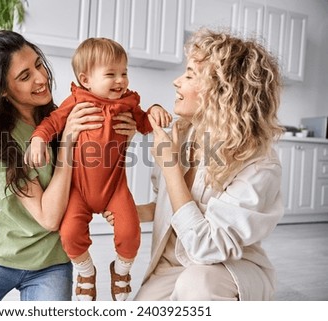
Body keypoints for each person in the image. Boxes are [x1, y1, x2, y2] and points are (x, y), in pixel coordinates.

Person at [0, 30, 135, 301]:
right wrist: (66, 143)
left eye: (38, 65)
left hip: (51, 263)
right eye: (25, 76)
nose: (42, 78)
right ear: (3, 90)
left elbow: (96, 178)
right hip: (0, 255)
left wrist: (125, 133)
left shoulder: (62, 115)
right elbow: (49, 217)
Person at [105, 28, 284, 300]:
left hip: (223, 269)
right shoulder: (183, 134)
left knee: (197, 284)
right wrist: (133, 211)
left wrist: (170, 167)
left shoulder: (259, 163)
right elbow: (172, 206)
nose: (176, 82)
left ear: (223, 91)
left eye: (190, 74)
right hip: (172, 265)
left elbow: (207, 248)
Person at [25, 37, 172, 301]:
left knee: (131, 233)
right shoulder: (76, 102)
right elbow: (52, 121)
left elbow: (145, 123)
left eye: (124, 73)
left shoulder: (128, 103)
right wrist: (37, 139)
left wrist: (156, 110)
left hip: (114, 188)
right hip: (77, 190)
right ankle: (85, 271)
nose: (121, 80)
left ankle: (121, 270)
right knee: (69, 234)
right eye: (111, 74)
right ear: (86, 79)